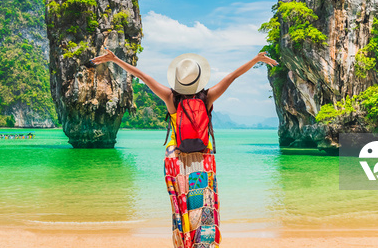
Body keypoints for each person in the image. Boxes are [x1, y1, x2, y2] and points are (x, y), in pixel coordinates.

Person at [92, 48, 277, 248]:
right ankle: (204, 243)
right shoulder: (207, 97)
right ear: (199, 79)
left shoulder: (170, 97)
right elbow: (233, 76)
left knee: (181, 207)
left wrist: (115, 59)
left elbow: (142, 76)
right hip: (203, 158)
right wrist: (256, 60)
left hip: (175, 159)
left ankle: (184, 243)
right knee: (204, 202)